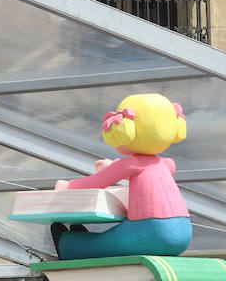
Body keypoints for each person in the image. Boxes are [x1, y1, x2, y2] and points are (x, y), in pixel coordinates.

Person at [51, 93, 192, 260]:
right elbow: (146, 176)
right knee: (112, 241)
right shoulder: (166, 164)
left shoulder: (129, 165)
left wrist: (68, 186)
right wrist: (113, 166)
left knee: (104, 245)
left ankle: (68, 245)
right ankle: (82, 237)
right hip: (184, 233)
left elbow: (96, 182)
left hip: (151, 230)